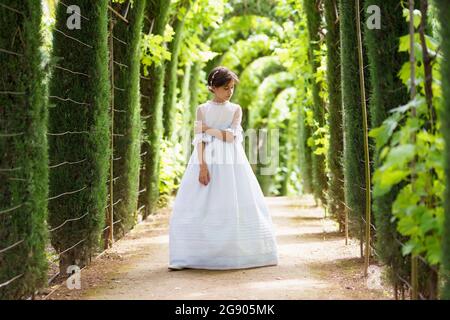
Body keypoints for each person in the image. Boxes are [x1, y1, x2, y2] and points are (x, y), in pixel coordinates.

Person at [168, 66, 279, 270]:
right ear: (213, 87)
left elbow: (231, 137)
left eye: (232, 88)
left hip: (232, 162)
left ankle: (235, 253)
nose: (230, 92)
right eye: (226, 88)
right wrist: (202, 167)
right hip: (206, 159)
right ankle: (194, 255)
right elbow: (198, 140)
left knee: (233, 199)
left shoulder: (235, 109)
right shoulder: (202, 109)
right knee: (200, 203)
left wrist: (209, 129)